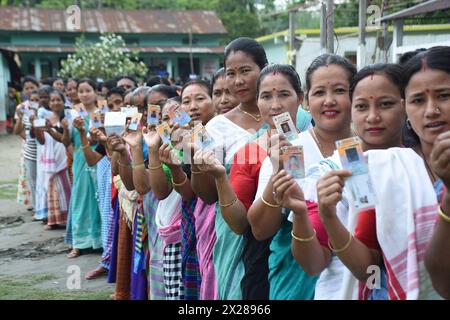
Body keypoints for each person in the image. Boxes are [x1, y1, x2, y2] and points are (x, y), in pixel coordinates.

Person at [288, 63, 407, 300]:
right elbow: (313, 264)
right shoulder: (331, 170)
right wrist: (302, 216)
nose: (373, 116)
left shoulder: (423, 162)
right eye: (363, 106)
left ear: (405, 105)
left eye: (385, 104)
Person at [61, 78, 102, 260]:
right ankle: (78, 243)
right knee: (80, 198)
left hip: (98, 157)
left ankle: (100, 240)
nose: (84, 94)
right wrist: (65, 129)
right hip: (79, 158)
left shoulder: (102, 113)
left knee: (98, 197)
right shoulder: (73, 113)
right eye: (81, 91)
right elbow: (66, 141)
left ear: (95, 92)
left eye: (88, 90)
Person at [34, 89, 71, 230]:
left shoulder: (68, 117)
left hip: (64, 153)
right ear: (49, 103)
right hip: (50, 156)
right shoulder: (45, 118)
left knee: (65, 184)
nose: (55, 103)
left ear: (63, 102)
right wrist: (37, 128)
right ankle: (54, 218)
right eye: (53, 100)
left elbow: (66, 139)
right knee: (52, 186)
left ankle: (67, 218)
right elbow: (41, 141)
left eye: (58, 100)